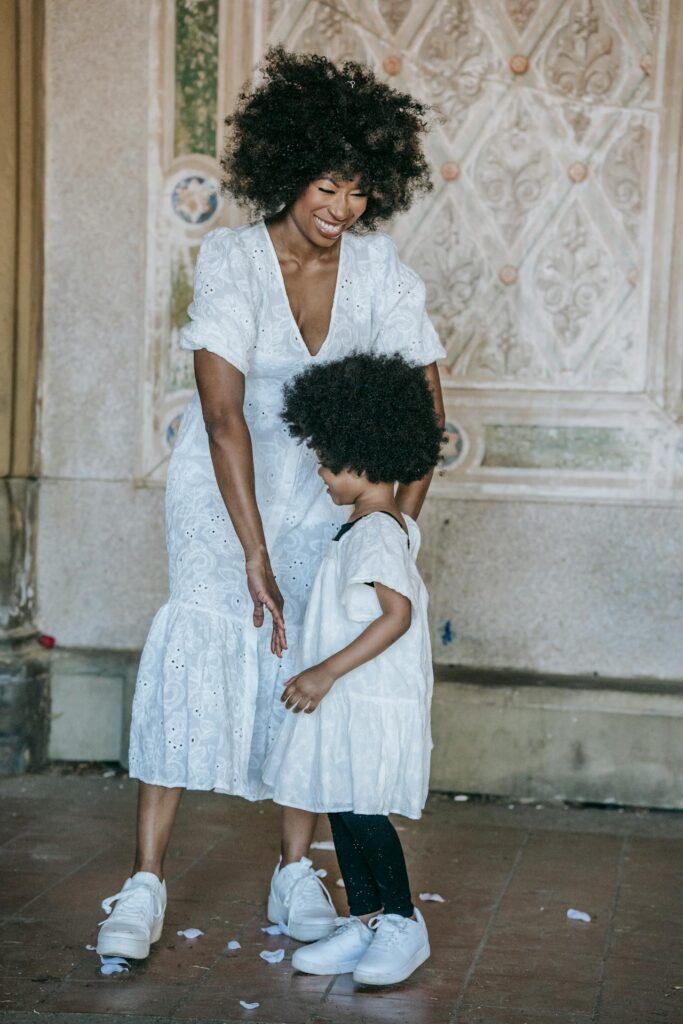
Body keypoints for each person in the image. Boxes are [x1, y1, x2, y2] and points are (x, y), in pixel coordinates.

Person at [97, 47, 445, 960]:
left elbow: (426, 406)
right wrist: (250, 549)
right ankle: (144, 884)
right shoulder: (232, 259)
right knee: (198, 655)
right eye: (327, 185)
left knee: (307, 669)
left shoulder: (380, 273)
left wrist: (395, 523)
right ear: (290, 172)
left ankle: (295, 873)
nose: (342, 208)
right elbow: (221, 417)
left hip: (328, 503)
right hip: (225, 498)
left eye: (360, 190)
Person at [262, 351, 442, 986]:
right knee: (341, 804)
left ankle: (401, 919)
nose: (322, 472)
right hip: (350, 704)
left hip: (366, 699)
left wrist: (324, 672)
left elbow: (396, 617)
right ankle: (364, 918)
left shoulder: (376, 534)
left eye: (330, 461)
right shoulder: (367, 524)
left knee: (364, 812)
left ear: (364, 459)